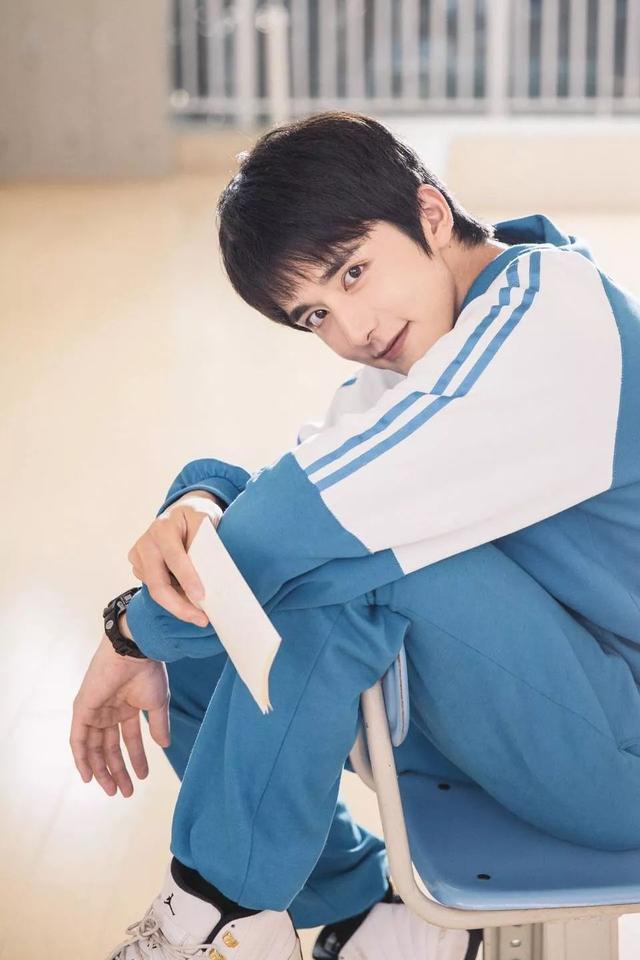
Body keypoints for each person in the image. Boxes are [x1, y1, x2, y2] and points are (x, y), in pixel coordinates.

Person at [70, 111, 640, 960]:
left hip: (622, 748)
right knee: (209, 635)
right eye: (315, 314)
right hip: (544, 706)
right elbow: (293, 483)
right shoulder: (419, 350)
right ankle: (361, 916)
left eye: (354, 271)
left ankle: (217, 908)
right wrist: (199, 496)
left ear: (431, 214)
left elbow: (311, 519)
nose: (354, 330)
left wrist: (129, 630)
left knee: (344, 565)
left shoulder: (546, 314)